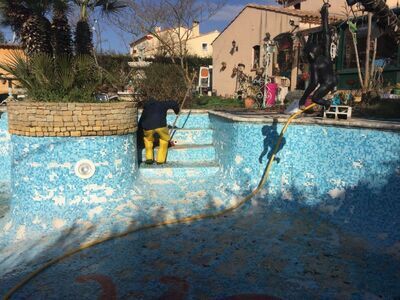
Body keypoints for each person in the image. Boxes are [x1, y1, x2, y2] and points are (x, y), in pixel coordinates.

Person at [139, 98, 180, 165]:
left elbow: (141, 121)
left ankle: (149, 158)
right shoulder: (162, 104)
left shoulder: (146, 109)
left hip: (148, 127)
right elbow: (173, 103)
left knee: (148, 140)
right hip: (161, 126)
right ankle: (160, 160)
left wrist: (139, 134)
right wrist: (177, 111)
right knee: (164, 140)